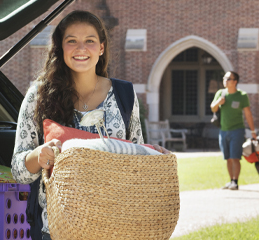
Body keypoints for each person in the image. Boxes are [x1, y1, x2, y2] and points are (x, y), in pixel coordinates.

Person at [11, 10, 169, 240]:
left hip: (117, 228)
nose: (81, 48)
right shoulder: (38, 95)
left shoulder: (124, 94)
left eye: (90, 41)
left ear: (102, 48)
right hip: (56, 230)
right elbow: (18, 170)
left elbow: (136, 160)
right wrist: (39, 156)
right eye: (72, 41)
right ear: (60, 47)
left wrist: (154, 154)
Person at [211, 71, 256, 190]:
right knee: (228, 158)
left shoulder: (242, 95)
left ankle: (235, 181)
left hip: (237, 130)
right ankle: (231, 181)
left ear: (235, 81)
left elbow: (248, 114)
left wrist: (253, 131)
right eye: (224, 78)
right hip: (223, 130)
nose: (225, 80)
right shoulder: (220, 93)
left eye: (228, 78)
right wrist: (218, 102)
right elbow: (212, 108)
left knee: (235, 156)